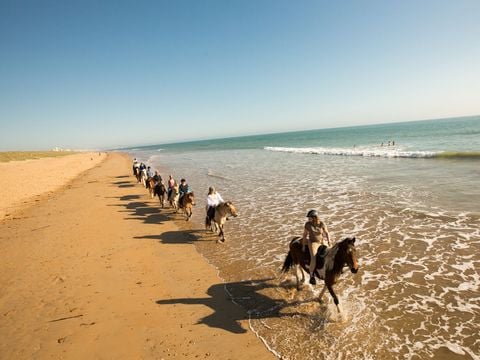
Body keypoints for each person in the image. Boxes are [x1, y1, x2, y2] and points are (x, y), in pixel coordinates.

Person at [302, 209, 330, 285]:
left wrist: (329, 241)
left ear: (315, 217)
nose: (309, 219)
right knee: (313, 257)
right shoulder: (307, 224)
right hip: (313, 242)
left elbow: (327, 233)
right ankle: (311, 276)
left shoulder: (322, 224)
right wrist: (304, 245)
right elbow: (304, 235)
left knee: (330, 253)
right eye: (308, 218)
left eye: (310, 217)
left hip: (322, 241)